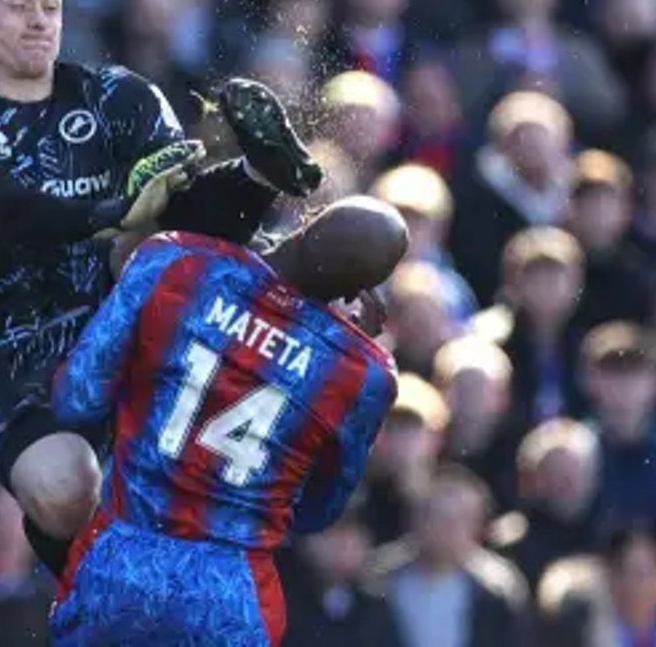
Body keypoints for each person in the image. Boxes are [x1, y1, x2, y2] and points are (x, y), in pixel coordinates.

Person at [0, 0, 323, 576]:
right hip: (8, 349)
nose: (39, 20)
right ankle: (80, 572)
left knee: (169, 248)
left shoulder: (119, 97)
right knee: (67, 494)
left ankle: (260, 174)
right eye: (16, 6)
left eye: (51, 6)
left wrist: (243, 186)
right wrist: (111, 211)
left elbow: (180, 220)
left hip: (126, 324)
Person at [47, 197, 409, 646]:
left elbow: (76, 399)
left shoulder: (175, 259)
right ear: (359, 294)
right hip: (232, 596)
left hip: (119, 561)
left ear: (309, 217)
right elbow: (319, 512)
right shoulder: (365, 373)